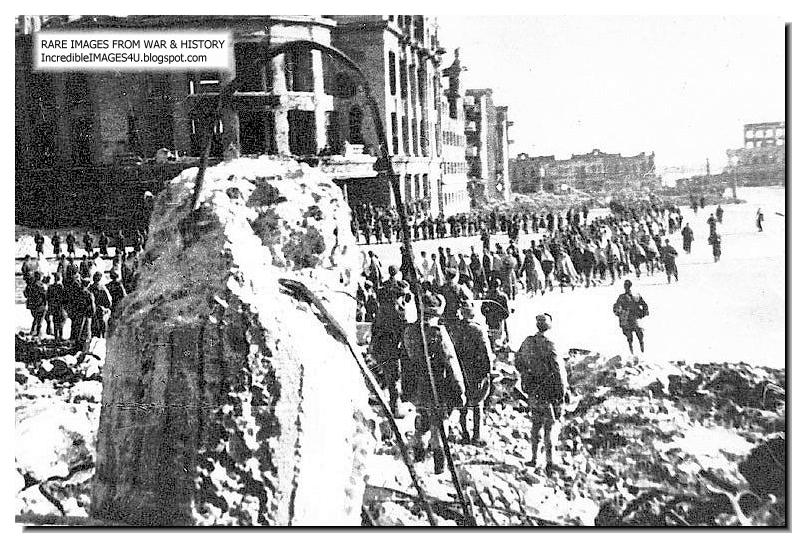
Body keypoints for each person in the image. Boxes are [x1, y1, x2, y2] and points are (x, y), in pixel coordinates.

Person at [402, 293, 466, 474]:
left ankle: (418, 458)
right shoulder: (437, 333)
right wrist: (459, 389)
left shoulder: (410, 331)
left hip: (417, 383)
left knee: (421, 421)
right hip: (437, 384)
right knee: (438, 425)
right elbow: (451, 361)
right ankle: (439, 468)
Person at [514, 313, 569, 475]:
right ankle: (550, 461)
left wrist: (527, 375)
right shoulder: (550, 343)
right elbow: (558, 370)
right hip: (548, 391)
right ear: (549, 325)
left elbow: (518, 361)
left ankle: (534, 458)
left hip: (533, 389)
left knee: (536, 423)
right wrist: (562, 392)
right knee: (550, 425)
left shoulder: (527, 341)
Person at [449, 301, 495, 445]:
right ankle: (476, 435)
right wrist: (489, 370)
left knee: (462, 402)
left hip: (460, 370)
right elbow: (486, 353)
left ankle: (465, 434)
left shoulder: (455, 328)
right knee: (477, 403)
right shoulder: (478, 330)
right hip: (476, 371)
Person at [371, 278, 412, 418]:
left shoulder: (383, 307)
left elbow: (374, 327)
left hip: (381, 346)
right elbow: (404, 331)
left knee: (389, 375)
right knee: (395, 377)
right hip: (392, 347)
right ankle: (395, 407)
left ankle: (389, 401)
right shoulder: (399, 310)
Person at [612, 279, 649, 354]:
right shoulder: (627, 296)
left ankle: (638, 351)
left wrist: (643, 312)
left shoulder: (629, 296)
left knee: (635, 335)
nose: (626, 288)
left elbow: (644, 305)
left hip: (632, 317)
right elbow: (616, 307)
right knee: (634, 335)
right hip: (629, 317)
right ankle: (637, 351)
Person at [481, 279, 510, 349]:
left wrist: (490, 314)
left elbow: (506, 313)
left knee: (495, 341)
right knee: (495, 341)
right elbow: (482, 309)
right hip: (494, 323)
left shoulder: (499, 297)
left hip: (495, 323)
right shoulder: (491, 297)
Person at [89, 271, 112, 338]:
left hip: (93, 310)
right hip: (101, 310)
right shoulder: (102, 288)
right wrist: (106, 307)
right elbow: (109, 301)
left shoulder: (90, 288)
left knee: (94, 329)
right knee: (102, 328)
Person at [24, 271, 47, 337]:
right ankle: (38, 332)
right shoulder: (40, 285)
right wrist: (46, 303)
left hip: (32, 305)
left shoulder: (30, 285)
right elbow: (44, 295)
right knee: (39, 319)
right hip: (40, 304)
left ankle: (33, 331)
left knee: (35, 318)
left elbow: (25, 294)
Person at [46, 272, 68, 341]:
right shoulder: (61, 287)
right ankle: (60, 336)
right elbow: (65, 297)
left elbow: (47, 297)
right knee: (61, 321)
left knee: (55, 321)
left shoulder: (50, 287)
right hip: (60, 306)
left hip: (53, 306)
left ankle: (56, 337)